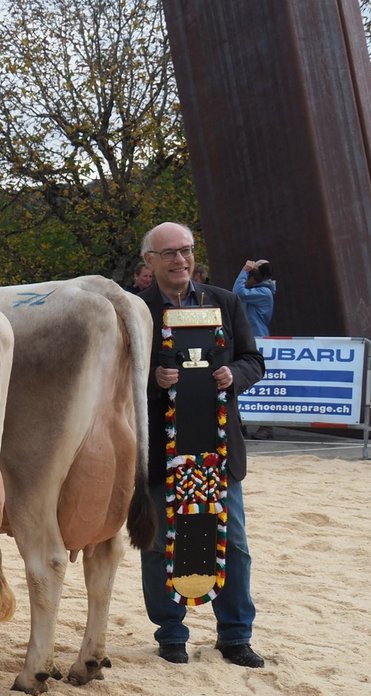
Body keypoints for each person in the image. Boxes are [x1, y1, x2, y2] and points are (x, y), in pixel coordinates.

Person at [137, 221, 267, 669]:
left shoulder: (225, 302)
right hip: (161, 452)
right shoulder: (136, 310)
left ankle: (235, 636)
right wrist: (151, 379)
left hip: (219, 451)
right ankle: (171, 633)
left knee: (232, 543)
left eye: (186, 250)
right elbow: (117, 376)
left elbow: (254, 360)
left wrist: (236, 376)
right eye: (169, 253)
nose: (180, 260)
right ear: (149, 262)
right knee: (160, 546)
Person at [234, 259, 276, 339]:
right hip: (249, 338)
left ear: (255, 277)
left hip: (258, 338)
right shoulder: (252, 293)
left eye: (249, 275)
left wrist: (245, 270)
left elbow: (238, 292)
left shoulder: (264, 292)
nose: (246, 278)